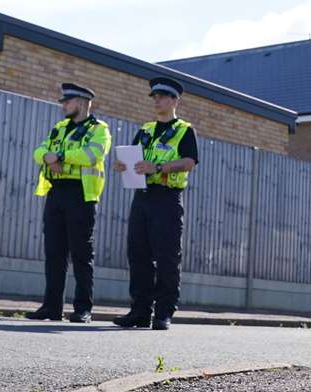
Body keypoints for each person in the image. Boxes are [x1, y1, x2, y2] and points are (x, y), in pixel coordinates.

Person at [113, 77, 197, 331]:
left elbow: (189, 161)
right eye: (154, 97)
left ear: (174, 100)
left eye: (161, 96)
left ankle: (163, 313)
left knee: (166, 256)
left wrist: (158, 167)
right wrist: (123, 165)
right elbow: (136, 158)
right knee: (137, 254)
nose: (156, 100)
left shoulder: (184, 130)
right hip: (142, 196)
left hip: (167, 198)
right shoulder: (146, 129)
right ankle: (139, 311)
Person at [28, 83, 112, 323]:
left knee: (81, 254)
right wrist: (47, 156)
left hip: (81, 195)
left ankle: (83, 308)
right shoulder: (60, 128)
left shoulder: (99, 130)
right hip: (56, 193)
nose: (63, 105)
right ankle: (51, 307)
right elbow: (39, 152)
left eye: (67, 101)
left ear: (83, 103)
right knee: (54, 252)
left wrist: (60, 157)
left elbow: (92, 156)